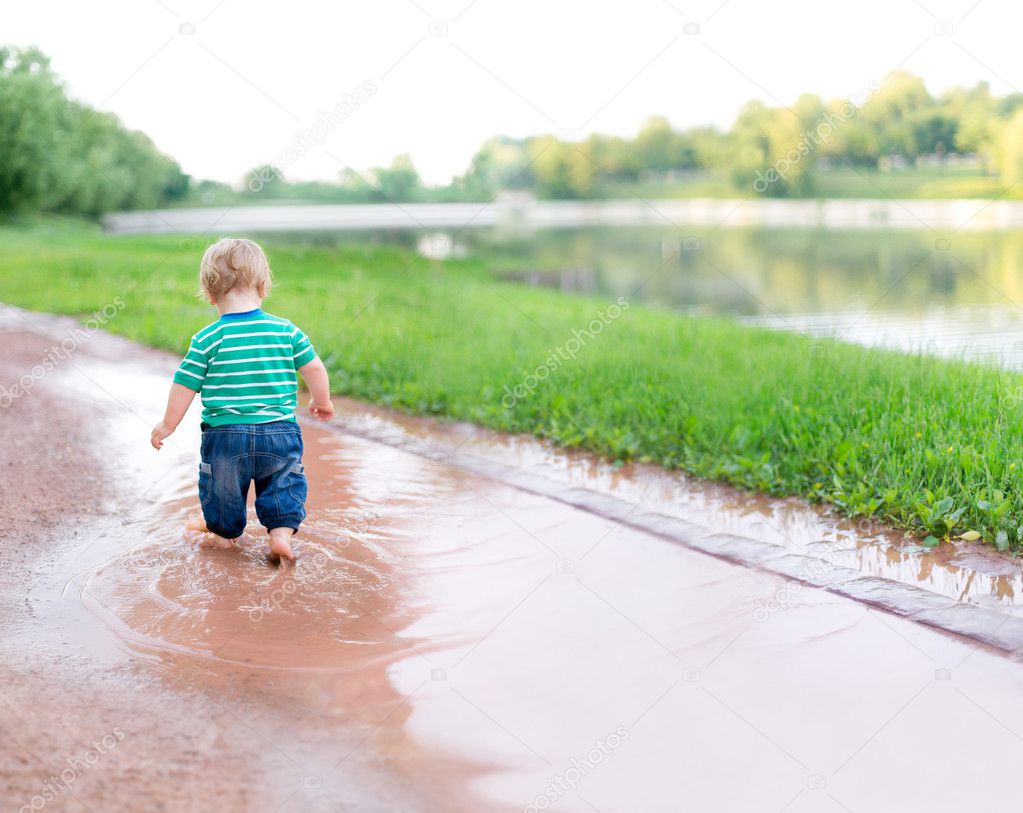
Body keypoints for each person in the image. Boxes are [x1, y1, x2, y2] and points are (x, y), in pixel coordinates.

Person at [150, 238, 334, 561]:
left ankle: (223, 537)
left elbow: (184, 384)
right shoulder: (285, 331)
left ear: (209, 293)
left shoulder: (207, 339)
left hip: (225, 437)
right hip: (278, 431)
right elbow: (315, 367)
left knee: (221, 493)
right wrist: (322, 401)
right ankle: (279, 536)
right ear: (264, 286)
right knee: (283, 483)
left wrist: (168, 424)